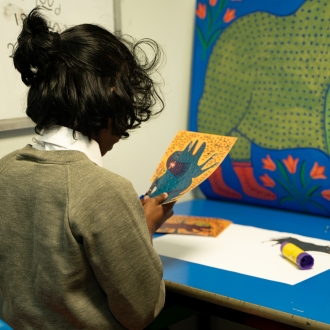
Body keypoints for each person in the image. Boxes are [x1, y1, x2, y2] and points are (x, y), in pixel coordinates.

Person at [0, 8, 175, 330]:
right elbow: (142, 310)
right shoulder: (105, 189)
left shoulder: (5, 169)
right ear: (112, 97)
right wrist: (145, 226)